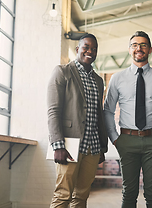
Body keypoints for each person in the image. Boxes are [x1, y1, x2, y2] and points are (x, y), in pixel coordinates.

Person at [104, 31, 152, 208]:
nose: (139, 48)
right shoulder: (117, 78)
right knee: (129, 193)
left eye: (143, 45)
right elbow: (108, 111)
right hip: (126, 140)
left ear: (150, 49)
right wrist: (115, 138)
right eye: (135, 45)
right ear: (129, 50)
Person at [47, 33, 108, 208]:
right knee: (63, 194)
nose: (90, 51)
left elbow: (99, 114)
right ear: (77, 49)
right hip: (70, 145)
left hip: (93, 146)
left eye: (94, 49)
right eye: (86, 47)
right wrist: (57, 145)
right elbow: (53, 110)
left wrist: (102, 147)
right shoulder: (62, 72)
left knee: (82, 195)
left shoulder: (98, 80)